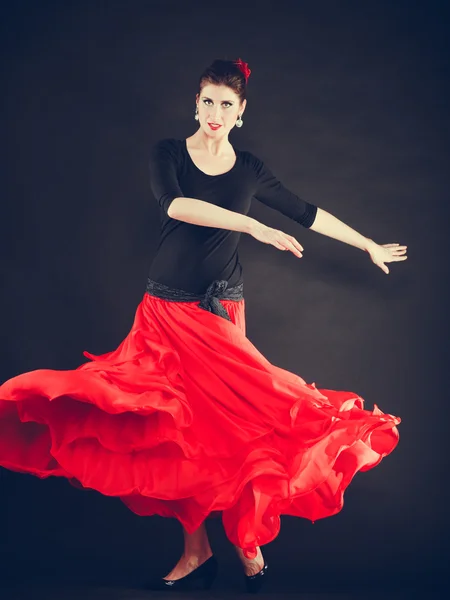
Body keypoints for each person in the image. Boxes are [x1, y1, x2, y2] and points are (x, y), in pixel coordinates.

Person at [0, 58, 407, 594]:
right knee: (176, 431)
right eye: (208, 101)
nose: (215, 113)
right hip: (165, 312)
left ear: (241, 113)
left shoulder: (251, 169)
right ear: (196, 104)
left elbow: (306, 211)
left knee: (235, 426)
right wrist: (252, 225)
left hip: (222, 313)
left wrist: (367, 245)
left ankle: (245, 538)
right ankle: (197, 550)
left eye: (226, 105)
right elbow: (177, 205)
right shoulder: (168, 153)